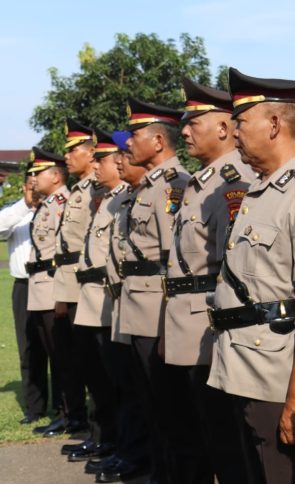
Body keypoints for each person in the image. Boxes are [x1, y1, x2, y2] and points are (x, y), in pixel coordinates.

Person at [206, 67, 295, 484]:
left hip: (278, 376)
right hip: (242, 364)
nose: (234, 132)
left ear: (275, 124)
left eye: (241, 122)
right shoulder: (260, 190)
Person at [161, 77, 256, 483]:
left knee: (225, 437)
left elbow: (233, 267)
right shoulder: (200, 182)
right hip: (186, 320)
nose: (183, 131)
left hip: (210, 323)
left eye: (193, 122)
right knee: (194, 430)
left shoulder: (233, 184)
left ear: (222, 128)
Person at [120, 97, 190, 483]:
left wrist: (168, 323)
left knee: (170, 410)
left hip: (156, 312)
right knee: (151, 406)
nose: (128, 144)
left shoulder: (171, 187)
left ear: (159, 141)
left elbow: (172, 261)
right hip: (138, 307)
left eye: (135, 136)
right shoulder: (148, 187)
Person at [62, 128, 124, 464]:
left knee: (113, 379)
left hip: (107, 294)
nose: (98, 165)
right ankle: (103, 438)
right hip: (90, 291)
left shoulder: (117, 195)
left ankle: (115, 442)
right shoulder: (101, 194)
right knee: (96, 374)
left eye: (102, 158)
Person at [94, 131, 152, 483]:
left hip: (148, 308)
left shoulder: (166, 192)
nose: (118, 160)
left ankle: (142, 458)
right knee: (130, 390)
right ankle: (134, 453)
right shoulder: (126, 199)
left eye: (122, 156)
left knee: (147, 396)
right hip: (125, 302)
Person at [26, 148, 71, 436]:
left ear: (55, 176)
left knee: (63, 357)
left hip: (53, 286)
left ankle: (70, 413)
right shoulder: (46, 204)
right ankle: (65, 411)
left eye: (38, 173)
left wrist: (61, 296)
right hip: (40, 285)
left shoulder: (62, 203)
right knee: (55, 354)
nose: (32, 179)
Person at [0, 170, 46, 425]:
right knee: (28, 348)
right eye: (31, 184)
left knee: (58, 347)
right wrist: (26, 204)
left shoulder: (56, 207)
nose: (36, 188)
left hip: (51, 285)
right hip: (24, 285)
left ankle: (66, 408)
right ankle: (34, 406)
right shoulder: (16, 214)